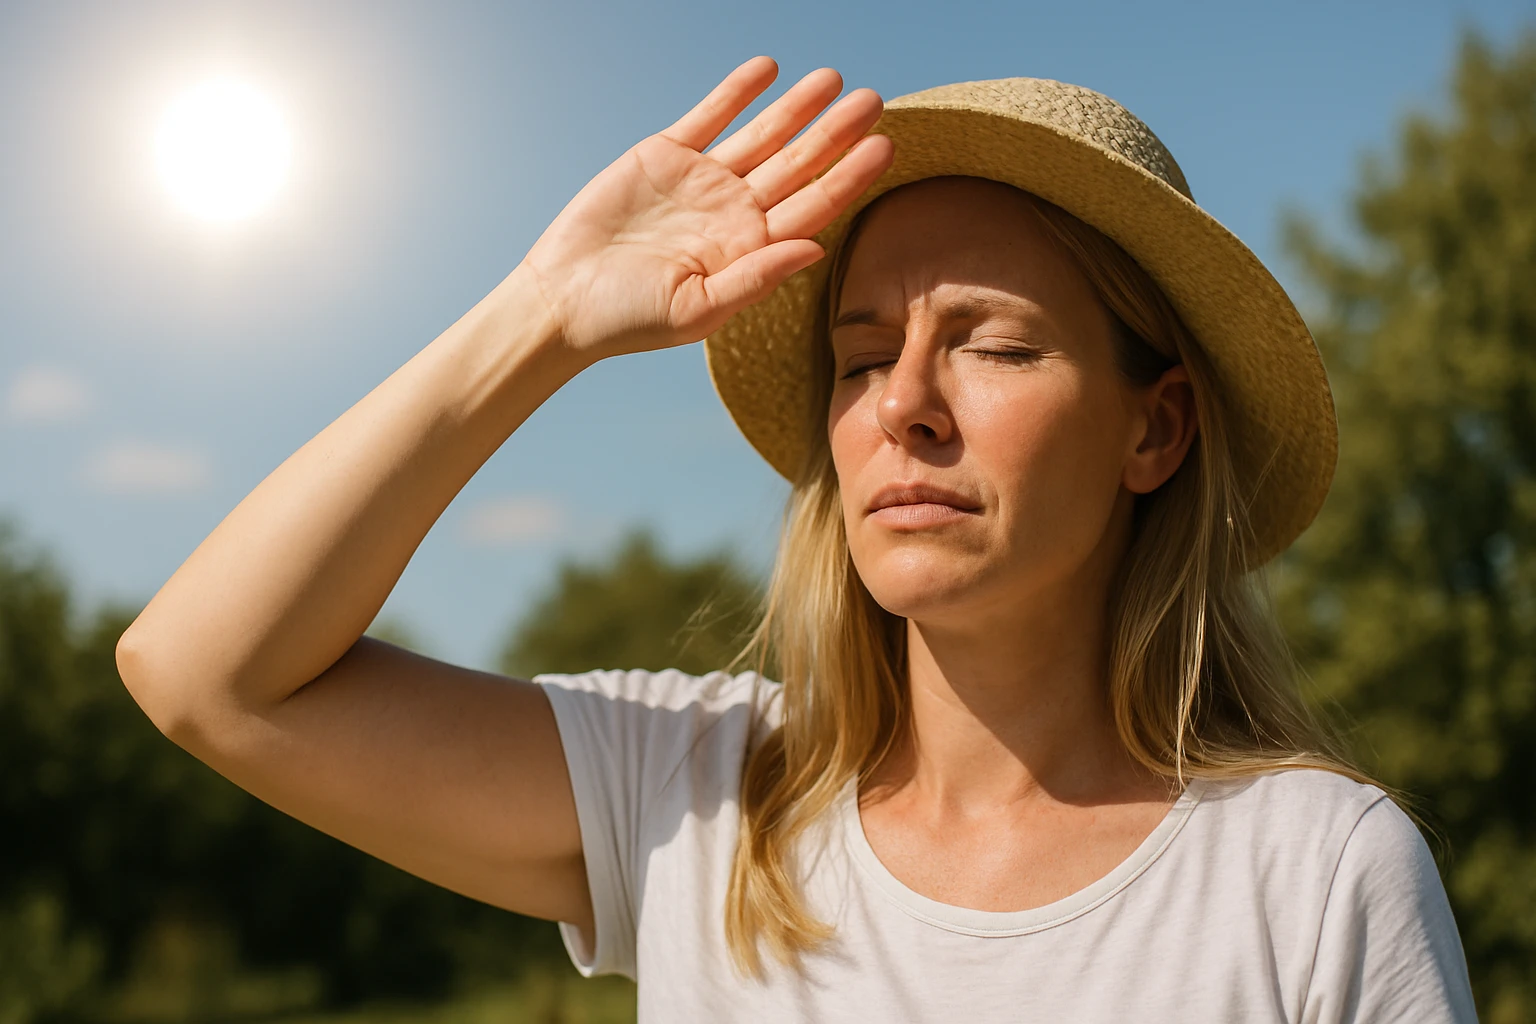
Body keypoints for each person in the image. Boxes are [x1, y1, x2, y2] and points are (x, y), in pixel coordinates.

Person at [116, 56, 1479, 1021]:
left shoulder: (1315, 871)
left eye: (994, 345)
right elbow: (204, 676)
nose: (906, 409)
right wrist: (541, 316)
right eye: (859, 357)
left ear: (1155, 432)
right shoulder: (707, 804)